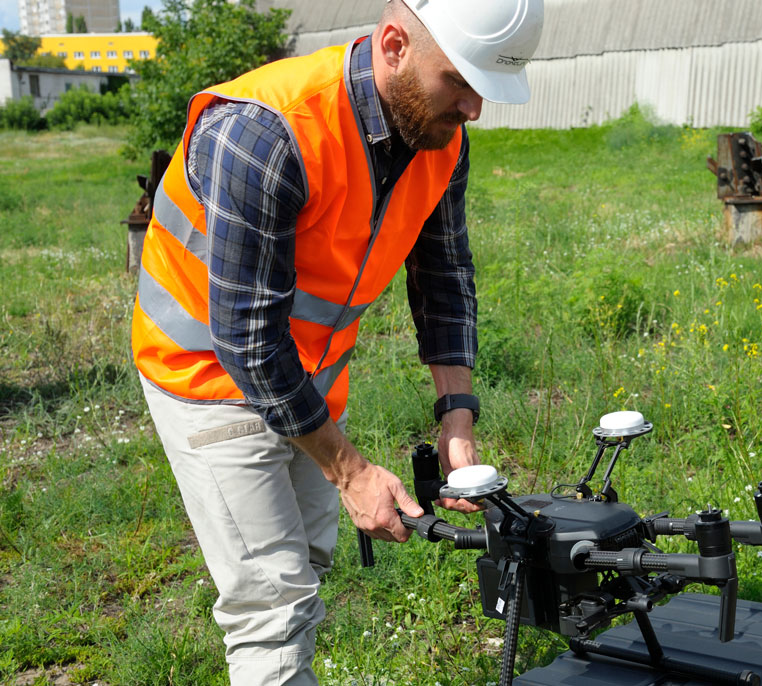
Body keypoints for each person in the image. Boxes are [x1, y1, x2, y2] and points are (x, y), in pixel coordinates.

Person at [130, 1, 544, 683]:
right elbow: (247, 338)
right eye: (460, 82)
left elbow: (444, 276)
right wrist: (350, 472)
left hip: (309, 376)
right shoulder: (267, 133)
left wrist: (457, 420)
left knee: (305, 566)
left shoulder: (439, 139)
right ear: (392, 45)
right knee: (274, 605)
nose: (474, 109)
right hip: (207, 375)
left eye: (485, 90)